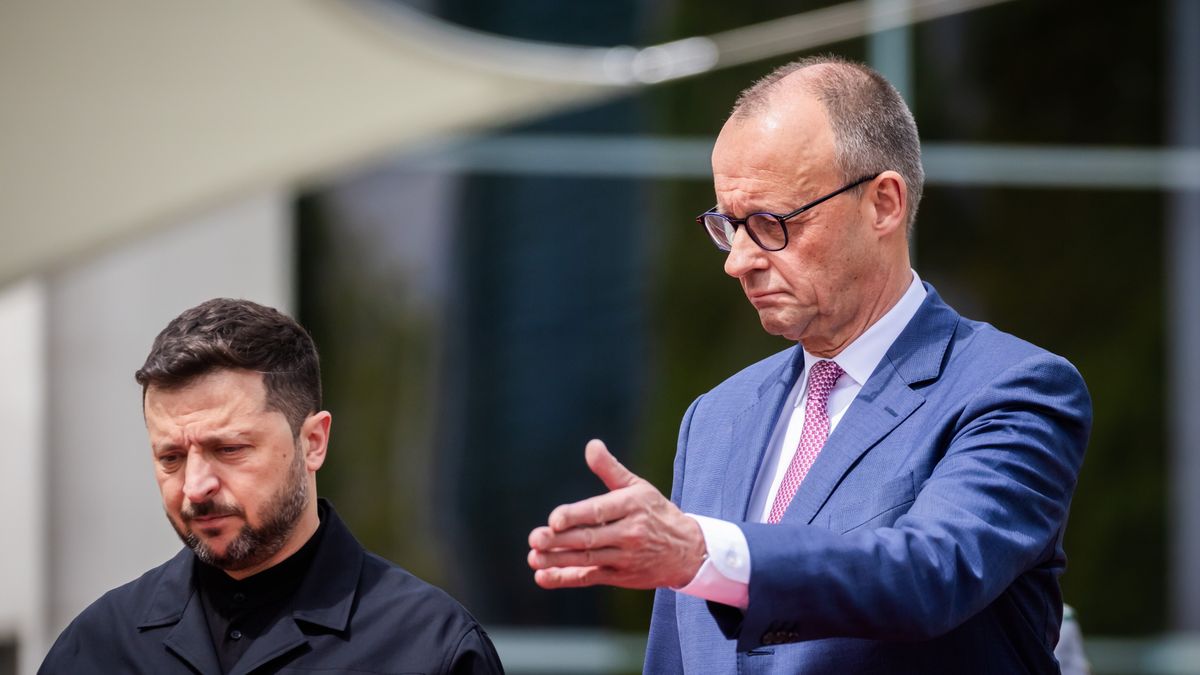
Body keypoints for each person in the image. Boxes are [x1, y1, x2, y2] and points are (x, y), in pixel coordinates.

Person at [528, 55, 1091, 673]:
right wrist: (695, 555)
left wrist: (704, 551)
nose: (738, 261)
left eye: (769, 223)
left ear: (883, 204)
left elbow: (928, 573)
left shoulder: (1014, 390)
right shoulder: (715, 418)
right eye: (728, 225)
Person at [41, 299, 504, 675]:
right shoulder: (97, 646)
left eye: (229, 449)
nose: (195, 487)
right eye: (171, 458)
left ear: (313, 442)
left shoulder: (429, 647)